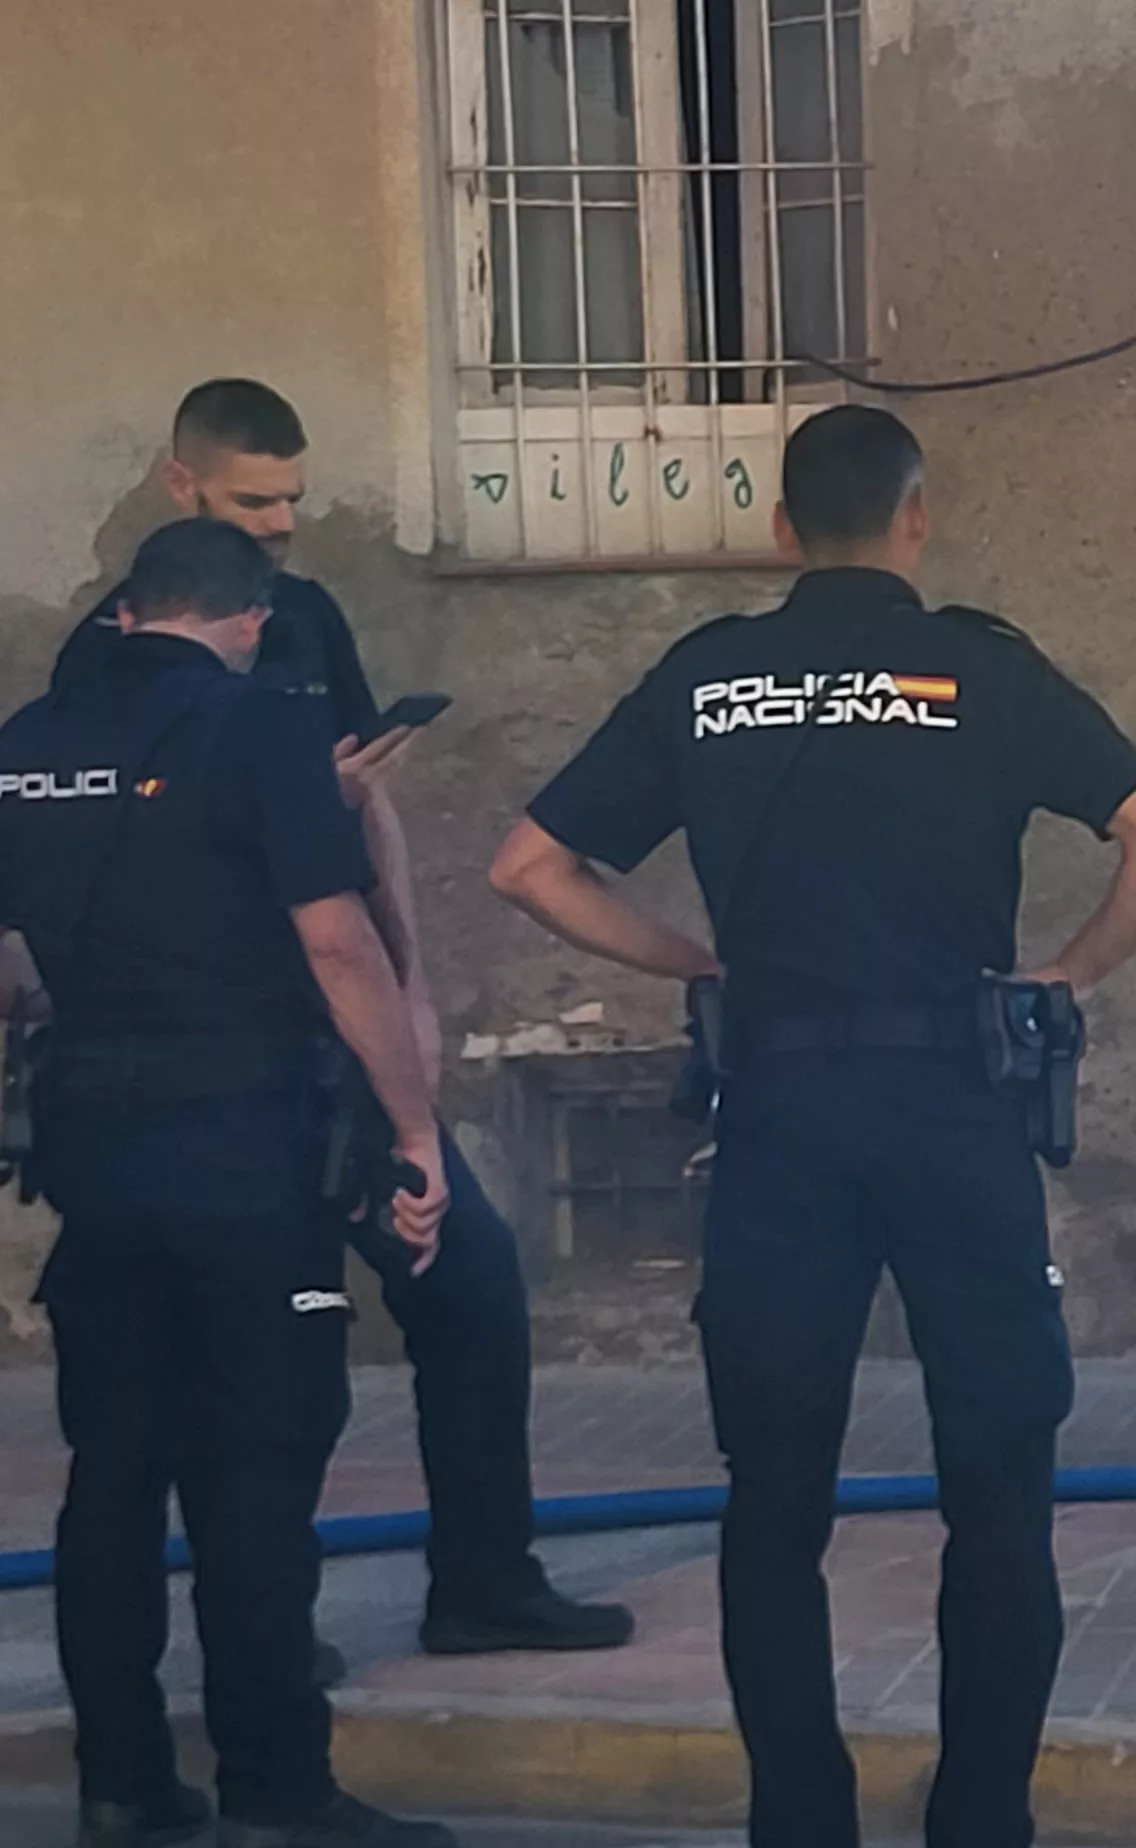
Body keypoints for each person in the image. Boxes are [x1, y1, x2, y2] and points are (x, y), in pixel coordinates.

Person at [485, 407, 1136, 1848]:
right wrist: (1067, 970)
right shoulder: (985, 673)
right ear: (917, 519)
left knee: (774, 1501)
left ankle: (798, 1820)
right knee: (1000, 1490)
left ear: (779, 530)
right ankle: (980, 1818)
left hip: (783, 1125)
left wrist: (690, 965)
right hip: (957, 1117)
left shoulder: (710, 677)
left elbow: (526, 866)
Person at [45, 379, 631, 1667]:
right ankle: (262, 1639)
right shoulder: (112, 654)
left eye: (296, 499)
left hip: (340, 1032)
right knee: (242, 1371)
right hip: (223, 1063)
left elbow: (365, 822)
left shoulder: (300, 618)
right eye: (256, 501)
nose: (283, 525)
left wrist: (411, 994)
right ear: (181, 485)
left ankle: (481, 1579)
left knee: (467, 1283)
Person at [13, 520, 456, 1848]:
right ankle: (276, 1779)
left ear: (130, 612)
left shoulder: (25, 743)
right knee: (259, 1476)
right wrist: (414, 1128)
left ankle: (123, 1783)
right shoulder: (261, 727)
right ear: (252, 621)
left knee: (113, 1472)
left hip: (93, 1155)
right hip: (247, 1154)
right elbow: (335, 947)